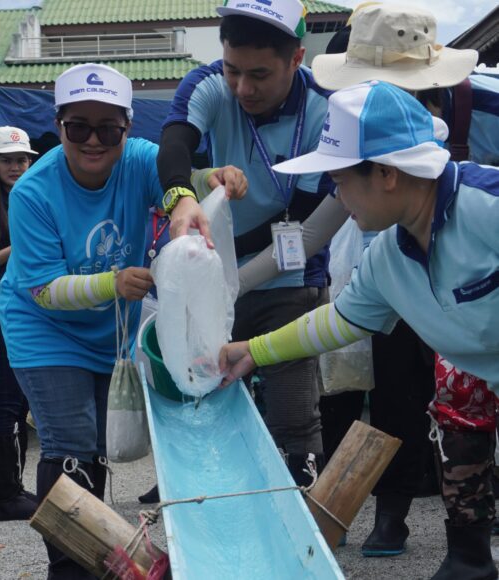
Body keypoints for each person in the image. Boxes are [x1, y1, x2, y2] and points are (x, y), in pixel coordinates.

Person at [236, 1, 499, 559]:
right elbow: (339, 320)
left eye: (339, 181)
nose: (336, 196)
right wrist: (249, 352)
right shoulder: (386, 256)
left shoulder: (487, 205)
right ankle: (469, 562)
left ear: (384, 173)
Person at [0, 62, 218, 579]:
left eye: (108, 128)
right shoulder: (33, 191)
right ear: (58, 127)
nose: (93, 141)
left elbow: (176, 179)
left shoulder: (140, 160)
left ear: (127, 127)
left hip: (108, 330)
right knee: (70, 443)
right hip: (43, 328)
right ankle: (69, 567)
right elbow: (44, 289)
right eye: (79, 127)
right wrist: (113, 283)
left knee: (98, 446)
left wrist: (211, 181)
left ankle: (93, 554)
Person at [157, 0, 349, 484]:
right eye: (233, 70)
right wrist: (181, 197)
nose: (243, 88)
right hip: (218, 276)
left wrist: (228, 286)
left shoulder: (325, 111)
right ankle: (215, 505)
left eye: (259, 74)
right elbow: (176, 143)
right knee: (206, 396)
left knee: (292, 414)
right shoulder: (207, 85)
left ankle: (302, 506)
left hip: (287, 279)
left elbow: (304, 230)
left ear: (297, 58)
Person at [0, 126, 38, 522]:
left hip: (27, 311)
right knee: (6, 402)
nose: (16, 166)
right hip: (3, 313)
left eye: (21, 159)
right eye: (7, 159)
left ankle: (12, 486)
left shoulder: (28, 197)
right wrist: (20, 246)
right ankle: (6, 494)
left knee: (18, 402)